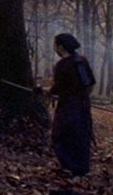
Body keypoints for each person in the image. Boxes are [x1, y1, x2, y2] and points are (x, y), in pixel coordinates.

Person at [40, 32, 96, 176]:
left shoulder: (63, 65)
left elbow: (56, 89)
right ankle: (81, 168)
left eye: (56, 45)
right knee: (81, 135)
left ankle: (71, 168)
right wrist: (83, 97)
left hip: (68, 107)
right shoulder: (82, 61)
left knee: (60, 136)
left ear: (61, 46)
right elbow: (90, 84)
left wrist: (41, 90)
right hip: (83, 105)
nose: (55, 49)